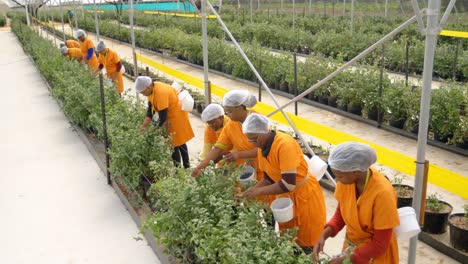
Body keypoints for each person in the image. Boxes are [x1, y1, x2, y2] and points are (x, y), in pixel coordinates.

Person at [238, 113, 326, 254]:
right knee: (290, 242)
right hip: (287, 198)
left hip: (304, 197)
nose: (252, 144)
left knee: (305, 245)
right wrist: (250, 191)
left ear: (264, 132)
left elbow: (288, 184)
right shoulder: (263, 148)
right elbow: (268, 177)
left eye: (254, 139)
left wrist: (258, 192)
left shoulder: (284, 145)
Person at [313, 142, 399, 263]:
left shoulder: (383, 194)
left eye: (340, 176)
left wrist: (346, 258)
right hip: (352, 248)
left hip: (374, 255)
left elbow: (380, 245)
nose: (337, 180)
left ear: (355, 172)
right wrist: (323, 235)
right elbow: (341, 214)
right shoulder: (347, 182)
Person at [191, 90, 263, 183]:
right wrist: (200, 167)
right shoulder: (231, 125)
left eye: (229, 111)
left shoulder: (257, 120)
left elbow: (262, 149)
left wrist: (238, 154)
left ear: (239, 108)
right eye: (226, 112)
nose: (227, 115)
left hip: (262, 168)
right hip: (243, 168)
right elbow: (217, 149)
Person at [135, 76, 194, 169]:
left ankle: (181, 169)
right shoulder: (151, 91)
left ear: (148, 87)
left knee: (177, 143)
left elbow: (162, 118)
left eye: (143, 92)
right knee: (175, 143)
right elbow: (150, 112)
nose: (143, 94)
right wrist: (144, 127)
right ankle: (183, 168)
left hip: (176, 117)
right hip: (169, 117)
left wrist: (153, 131)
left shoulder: (161, 93)